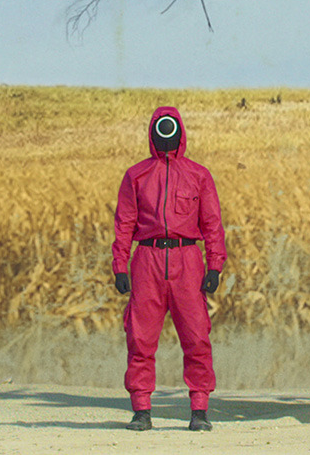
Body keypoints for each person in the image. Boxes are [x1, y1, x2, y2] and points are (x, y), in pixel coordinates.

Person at [112, 106, 227, 431]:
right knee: (140, 338)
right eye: (161, 131)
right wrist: (120, 265)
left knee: (196, 337)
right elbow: (124, 223)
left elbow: (212, 223)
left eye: (171, 131)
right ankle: (142, 410)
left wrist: (215, 265)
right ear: (152, 135)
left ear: (180, 134)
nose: (167, 137)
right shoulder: (136, 176)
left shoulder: (198, 175)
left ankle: (199, 410)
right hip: (146, 261)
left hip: (187, 261)